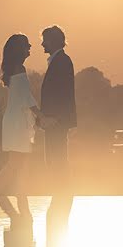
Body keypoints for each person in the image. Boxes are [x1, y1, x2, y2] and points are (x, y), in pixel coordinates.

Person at [0, 34, 42, 224]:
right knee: (18, 161)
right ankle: (2, 192)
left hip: (14, 120)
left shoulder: (12, 69)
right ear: (19, 49)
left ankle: (6, 193)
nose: (30, 47)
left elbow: (22, 97)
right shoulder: (19, 69)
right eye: (27, 45)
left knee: (16, 160)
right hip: (17, 122)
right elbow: (26, 97)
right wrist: (41, 115)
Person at [39, 25, 77, 215]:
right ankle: (60, 193)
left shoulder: (62, 61)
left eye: (44, 39)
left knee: (57, 158)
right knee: (54, 158)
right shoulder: (60, 60)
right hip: (55, 120)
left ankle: (62, 193)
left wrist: (54, 118)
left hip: (56, 121)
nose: (42, 43)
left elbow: (63, 93)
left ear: (53, 41)